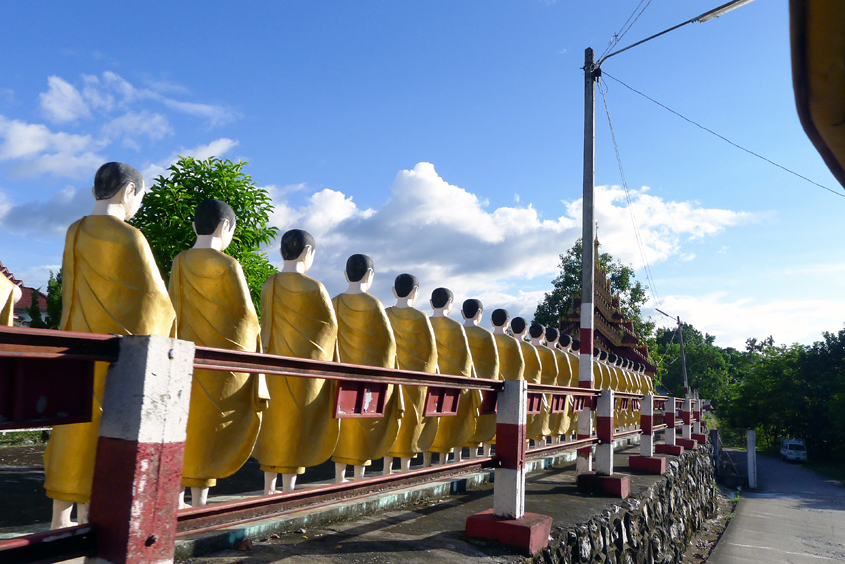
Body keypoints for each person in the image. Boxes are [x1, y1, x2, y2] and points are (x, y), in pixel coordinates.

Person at [44, 162, 176, 529]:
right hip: (116, 356)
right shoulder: (130, 236)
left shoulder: (76, 230)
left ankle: (60, 516)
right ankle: (90, 515)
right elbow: (155, 302)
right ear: (129, 192)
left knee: (72, 426)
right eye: (140, 197)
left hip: (78, 348)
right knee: (107, 430)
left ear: (94, 191)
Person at [169, 199, 267, 507]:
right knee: (210, 427)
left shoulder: (180, 261)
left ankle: (176, 494)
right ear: (225, 227)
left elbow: (173, 305)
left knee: (183, 421)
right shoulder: (228, 264)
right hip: (219, 359)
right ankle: (199, 498)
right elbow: (245, 317)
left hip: (186, 354)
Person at [252, 229, 340, 494]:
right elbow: (329, 328)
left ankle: (269, 486)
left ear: (282, 251)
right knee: (295, 426)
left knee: (274, 423)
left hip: (273, 364)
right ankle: (289, 488)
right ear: (308, 253)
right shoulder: (315, 287)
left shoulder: (271, 283)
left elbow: (265, 322)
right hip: (303, 368)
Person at [331, 254, 402, 482]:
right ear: (370, 275)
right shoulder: (373, 304)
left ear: (345, 275)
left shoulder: (335, 302)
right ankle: (359, 477)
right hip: (367, 378)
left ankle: (339, 476)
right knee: (362, 423)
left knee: (342, 423)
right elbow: (387, 344)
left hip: (339, 375)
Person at [384, 274, 439, 473]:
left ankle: (387, 469)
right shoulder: (420, 317)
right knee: (409, 422)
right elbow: (430, 352)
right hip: (414, 377)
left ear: (394, 290)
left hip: (390, 374)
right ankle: (405, 470)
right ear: (415, 292)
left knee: (390, 419)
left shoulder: (385, 313)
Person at [427, 288, 479, 464]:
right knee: (450, 423)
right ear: (450, 303)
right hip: (450, 382)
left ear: (431, 303)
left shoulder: (424, 321)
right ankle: (446, 461)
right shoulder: (455, 327)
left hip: (427, 380)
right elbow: (464, 359)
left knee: (426, 422)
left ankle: (426, 462)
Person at [461, 299, 499, 457]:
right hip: (482, 384)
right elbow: (494, 364)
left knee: (459, 418)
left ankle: (455, 457)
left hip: (460, 382)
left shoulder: (458, 331)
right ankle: (479, 456)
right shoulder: (486, 335)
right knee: (479, 420)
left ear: (463, 313)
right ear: (479, 313)